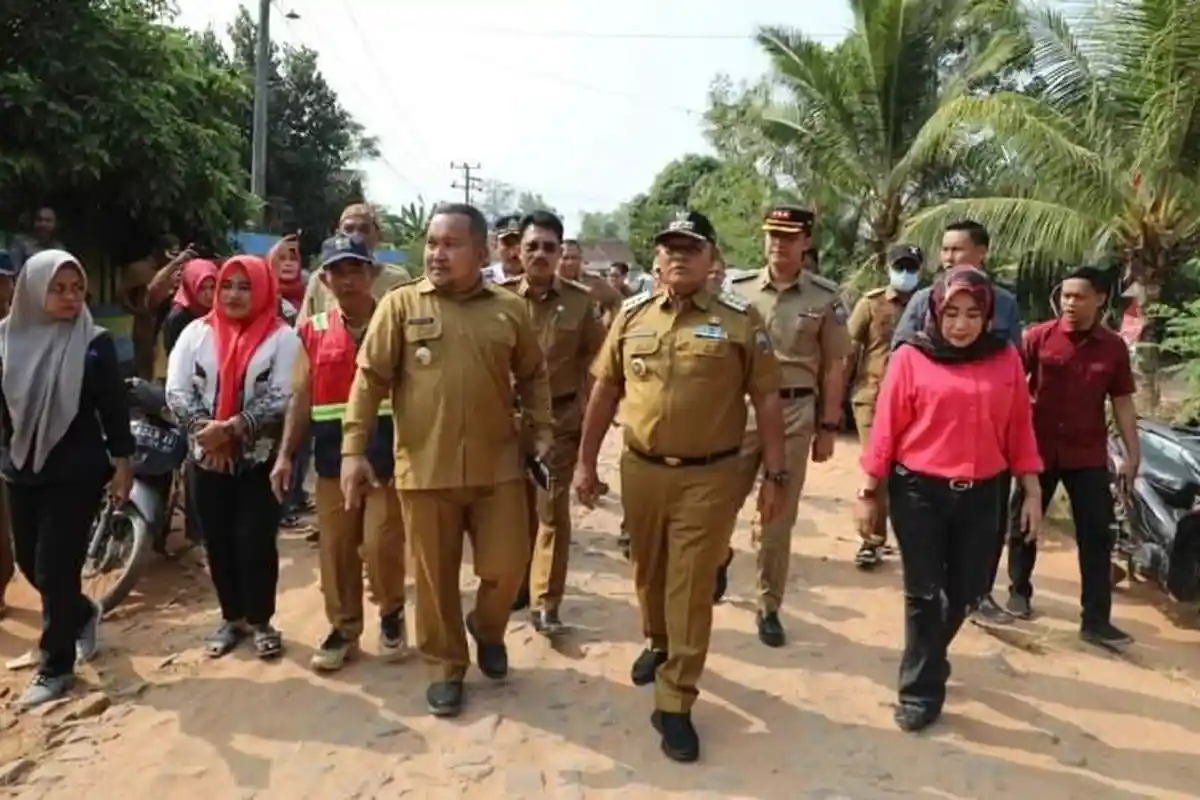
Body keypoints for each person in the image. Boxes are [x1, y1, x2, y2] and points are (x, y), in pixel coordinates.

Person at [573, 210, 787, 763]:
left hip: (708, 475)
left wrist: (776, 472)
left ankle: (676, 699)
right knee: (647, 569)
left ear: (712, 259)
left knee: (690, 583)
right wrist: (585, 463)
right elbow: (605, 389)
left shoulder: (740, 320)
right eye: (669, 247)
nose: (678, 256)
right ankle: (660, 641)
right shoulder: (631, 314)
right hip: (641, 470)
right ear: (656, 258)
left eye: (691, 248)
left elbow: (766, 397)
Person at [341, 202, 553, 718]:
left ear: (480, 252)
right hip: (425, 466)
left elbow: (533, 375)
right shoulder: (400, 305)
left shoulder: (509, 309)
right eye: (432, 243)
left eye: (450, 244)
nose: (436, 254)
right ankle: (445, 666)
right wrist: (353, 449)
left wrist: (542, 430)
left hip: (497, 465)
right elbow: (368, 379)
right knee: (434, 578)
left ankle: (487, 628)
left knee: (507, 567)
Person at [858, 266, 1042, 733]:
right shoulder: (910, 358)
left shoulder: (1005, 360)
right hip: (919, 491)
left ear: (988, 316)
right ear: (935, 311)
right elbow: (886, 429)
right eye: (952, 313)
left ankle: (929, 658)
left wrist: (1033, 487)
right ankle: (919, 690)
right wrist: (869, 491)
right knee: (923, 592)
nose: (961, 325)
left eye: (973, 313)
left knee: (968, 589)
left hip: (985, 493)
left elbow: (1019, 427)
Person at [1, 250, 134, 708]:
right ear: (34, 290)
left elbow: (113, 409)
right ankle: (82, 612)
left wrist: (122, 463)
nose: (69, 297)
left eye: (77, 289)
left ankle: (56, 666)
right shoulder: (6, 339)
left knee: (55, 569)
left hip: (76, 470)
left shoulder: (93, 343)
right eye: (58, 288)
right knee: (28, 564)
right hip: (22, 467)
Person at [272, 234, 408, 671]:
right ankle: (344, 627)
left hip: (388, 459)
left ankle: (390, 611)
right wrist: (286, 455)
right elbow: (300, 397)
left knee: (380, 542)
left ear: (371, 273)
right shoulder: (310, 332)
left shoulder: (396, 326)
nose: (347, 280)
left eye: (355, 270)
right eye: (337, 272)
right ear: (325, 280)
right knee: (336, 549)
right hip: (333, 463)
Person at [724, 205, 852, 646]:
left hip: (796, 411)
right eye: (772, 235)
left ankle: (768, 604)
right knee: (722, 498)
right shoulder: (736, 290)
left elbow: (834, 366)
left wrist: (829, 427)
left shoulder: (824, 297)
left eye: (789, 236)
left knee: (777, 513)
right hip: (741, 411)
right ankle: (719, 557)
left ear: (806, 243)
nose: (779, 243)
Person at [166, 255, 300, 660]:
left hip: (258, 460)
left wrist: (234, 428)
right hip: (206, 457)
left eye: (245, 286)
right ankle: (231, 618)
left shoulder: (282, 338)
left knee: (255, 541)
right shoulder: (195, 333)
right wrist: (204, 430)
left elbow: (283, 395)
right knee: (218, 540)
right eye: (228, 286)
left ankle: (260, 620)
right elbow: (176, 389)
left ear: (261, 289)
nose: (235, 294)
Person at [890, 220, 1022, 625]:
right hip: (930, 445)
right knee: (928, 576)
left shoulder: (1004, 304)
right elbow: (901, 361)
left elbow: (1011, 372)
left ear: (982, 252)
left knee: (985, 531)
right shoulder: (923, 299)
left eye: (957, 249)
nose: (947, 258)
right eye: (944, 250)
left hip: (987, 445)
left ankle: (976, 592)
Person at [1006, 266, 1138, 646]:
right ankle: (1019, 592)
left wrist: (1132, 453)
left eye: (1079, 296)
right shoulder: (1038, 338)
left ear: (1099, 299)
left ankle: (1096, 620)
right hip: (1038, 450)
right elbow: (1012, 389)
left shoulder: (1113, 348)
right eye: (1065, 295)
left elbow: (1123, 402)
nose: (1070, 303)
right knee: (1024, 524)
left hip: (1087, 454)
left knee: (1097, 536)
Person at [496, 211, 605, 633]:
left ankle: (547, 602)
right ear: (518, 252)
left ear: (561, 253)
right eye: (532, 246)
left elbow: (598, 364)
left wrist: (584, 411)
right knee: (513, 511)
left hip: (559, 422)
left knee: (552, 511)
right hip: (506, 420)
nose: (540, 254)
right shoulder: (497, 299)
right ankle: (520, 584)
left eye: (549, 247)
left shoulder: (580, 303)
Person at [845, 244, 923, 569]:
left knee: (909, 474)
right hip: (873, 398)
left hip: (917, 400)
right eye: (899, 266)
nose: (905, 273)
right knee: (876, 470)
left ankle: (913, 540)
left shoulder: (929, 305)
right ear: (889, 267)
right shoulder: (871, 304)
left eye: (911, 267)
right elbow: (849, 350)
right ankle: (871, 540)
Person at [297, 204, 410, 323]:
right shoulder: (321, 279)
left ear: (377, 235)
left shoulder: (397, 279)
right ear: (338, 233)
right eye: (349, 229)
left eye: (364, 229)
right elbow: (308, 325)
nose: (356, 235)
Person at [268, 235, 314, 526]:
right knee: (281, 446)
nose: (288, 264)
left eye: (293, 258)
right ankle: (279, 505)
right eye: (281, 257)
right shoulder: (263, 292)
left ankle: (294, 496)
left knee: (303, 443)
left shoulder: (309, 291)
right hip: (273, 382)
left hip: (305, 378)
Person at [121, 236, 196, 380]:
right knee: (146, 371)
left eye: (177, 252)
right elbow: (124, 294)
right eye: (172, 252)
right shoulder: (140, 269)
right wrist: (139, 311)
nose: (175, 256)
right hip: (145, 329)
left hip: (165, 327)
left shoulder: (174, 271)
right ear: (158, 251)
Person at [161, 258, 219, 356]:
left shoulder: (222, 309)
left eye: (213, 287)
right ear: (190, 286)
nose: (209, 294)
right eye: (202, 288)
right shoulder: (178, 318)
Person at [559, 239, 623, 324]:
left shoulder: (593, 283)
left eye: (574, 258)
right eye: (565, 258)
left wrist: (608, 325)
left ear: (580, 258)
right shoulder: (548, 282)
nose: (570, 262)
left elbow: (617, 300)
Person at [9, 207, 64, 272]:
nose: (43, 224)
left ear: (56, 224)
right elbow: (14, 271)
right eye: (39, 220)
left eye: (48, 221)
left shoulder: (59, 248)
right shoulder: (21, 243)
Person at [481, 214, 523, 283]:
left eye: (519, 244)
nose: (514, 253)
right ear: (495, 246)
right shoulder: (482, 280)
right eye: (507, 244)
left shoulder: (539, 280)